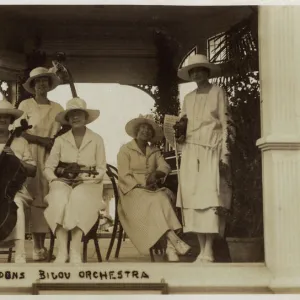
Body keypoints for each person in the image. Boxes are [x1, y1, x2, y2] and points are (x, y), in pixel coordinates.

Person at [176, 54, 231, 263]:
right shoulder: (188, 98)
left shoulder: (218, 92)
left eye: (200, 70)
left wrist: (225, 152)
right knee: (192, 199)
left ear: (207, 71)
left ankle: (210, 249)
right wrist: (178, 134)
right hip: (191, 151)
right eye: (193, 71)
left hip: (211, 150)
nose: (197, 74)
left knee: (210, 199)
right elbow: (183, 123)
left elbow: (225, 123)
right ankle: (201, 249)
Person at [117, 114, 191, 262]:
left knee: (161, 197)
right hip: (131, 193)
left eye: (149, 129)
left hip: (151, 192)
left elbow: (165, 166)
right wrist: (142, 185)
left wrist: (156, 173)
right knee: (158, 199)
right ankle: (172, 239)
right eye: (142, 128)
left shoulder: (154, 151)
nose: (145, 131)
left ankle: (170, 248)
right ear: (136, 131)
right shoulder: (125, 150)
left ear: (151, 134)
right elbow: (124, 175)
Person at [43, 97, 106, 263]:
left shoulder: (97, 139)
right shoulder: (60, 140)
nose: (75, 117)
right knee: (58, 198)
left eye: (79, 114)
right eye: (72, 115)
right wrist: (55, 180)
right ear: (68, 119)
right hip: (63, 183)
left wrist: (86, 178)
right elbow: (48, 167)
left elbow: (101, 169)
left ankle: (75, 249)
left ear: (85, 117)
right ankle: (62, 249)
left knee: (78, 198)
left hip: (89, 185)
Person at [19, 66, 63, 261]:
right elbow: (18, 131)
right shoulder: (25, 106)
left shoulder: (58, 108)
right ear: (33, 85)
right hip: (30, 153)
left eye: (45, 80)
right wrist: (40, 140)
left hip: (53, 155)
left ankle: (47, 246)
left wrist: (55, 141)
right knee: (34, 196)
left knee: (49, 197)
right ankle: (36, 247)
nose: (42, 84)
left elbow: (66, 129)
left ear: (49, 84)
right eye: (38, 81)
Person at [0, 99, 37, 263]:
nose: (2, 120)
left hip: (15, 190)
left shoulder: (20, 142)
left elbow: (32, 170)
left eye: (6, 117)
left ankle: (20, 252)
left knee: (16, 204)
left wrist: (16, 159)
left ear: (10, 121)